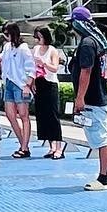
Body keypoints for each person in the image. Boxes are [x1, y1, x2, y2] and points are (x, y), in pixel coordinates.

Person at [70, 6, 107, 191]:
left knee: (102, 140)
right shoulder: (97, 42)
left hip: (92, 99)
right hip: (100, 96)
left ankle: (103, 179)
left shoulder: (87, 44)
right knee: (104, 135)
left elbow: (86, 71)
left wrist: (80, 98)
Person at [1, 23, 34, 158]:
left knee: (23, 115)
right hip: (8, 82)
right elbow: (1, 60)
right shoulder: (7, 47)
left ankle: (24, 146)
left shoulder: (23, 48)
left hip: (20, 84)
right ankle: (23, 143)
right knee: (10, 114)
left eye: (7, 34)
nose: (6, 37)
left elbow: (31, 68)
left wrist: (28, 85)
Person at [32, 26, 65, 159]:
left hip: (50, 83)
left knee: (53, 115)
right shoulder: (35, 50)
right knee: (42, 115)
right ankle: (51, 146)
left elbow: (55, 68)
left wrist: (44, 63)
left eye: (39, 37)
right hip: (39, 83)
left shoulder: (52, 50)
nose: (37, 40)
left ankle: (58, 147)